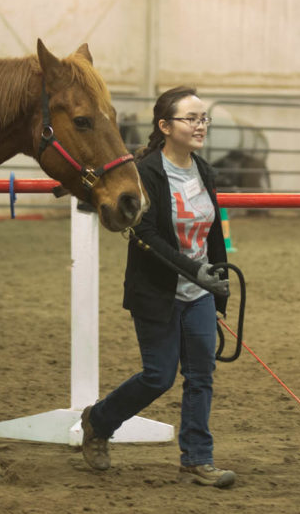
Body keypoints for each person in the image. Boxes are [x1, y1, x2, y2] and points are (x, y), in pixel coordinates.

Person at [79, 86, 237, 488]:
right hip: (157, 291)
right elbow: (145, 235)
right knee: (159, 376)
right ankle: (99, 420)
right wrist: (194, 270)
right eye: (191, 119)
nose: (200, 126)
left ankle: (197, 459)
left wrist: (217, 283)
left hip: (199, 293)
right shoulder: (144, 172)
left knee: (201, 376)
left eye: (203, 118)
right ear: (165, 126)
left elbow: (213, 231)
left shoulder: (204, 170)